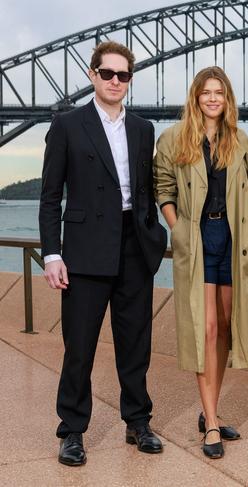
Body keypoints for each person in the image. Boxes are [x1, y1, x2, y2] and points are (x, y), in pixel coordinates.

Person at [39, 41, 168, 466]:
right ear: (93, 75)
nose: (115, 81)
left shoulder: (143, 128)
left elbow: (146, 190)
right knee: (80, 347)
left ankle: (138, 421)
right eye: (108, 73)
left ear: (129, 80)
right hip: (85, 249)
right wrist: (52, 254)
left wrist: (154, 235)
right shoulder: (67, 125)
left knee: (136, 343)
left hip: (133, 246)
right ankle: (72, 431)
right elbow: (49, 197)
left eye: (123, 75)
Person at [153, 66, 248, 459]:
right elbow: (164, 187)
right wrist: (179, 228)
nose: (212, 99)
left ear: (227, 98)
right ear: (196, 96)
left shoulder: (239, 140)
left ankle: (211, 413)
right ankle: (212, 423)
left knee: (224, 326)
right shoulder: (173, 139)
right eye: (206, 92)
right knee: (204, 329)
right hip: (198, 239)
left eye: (219, 92)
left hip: (234, 240)